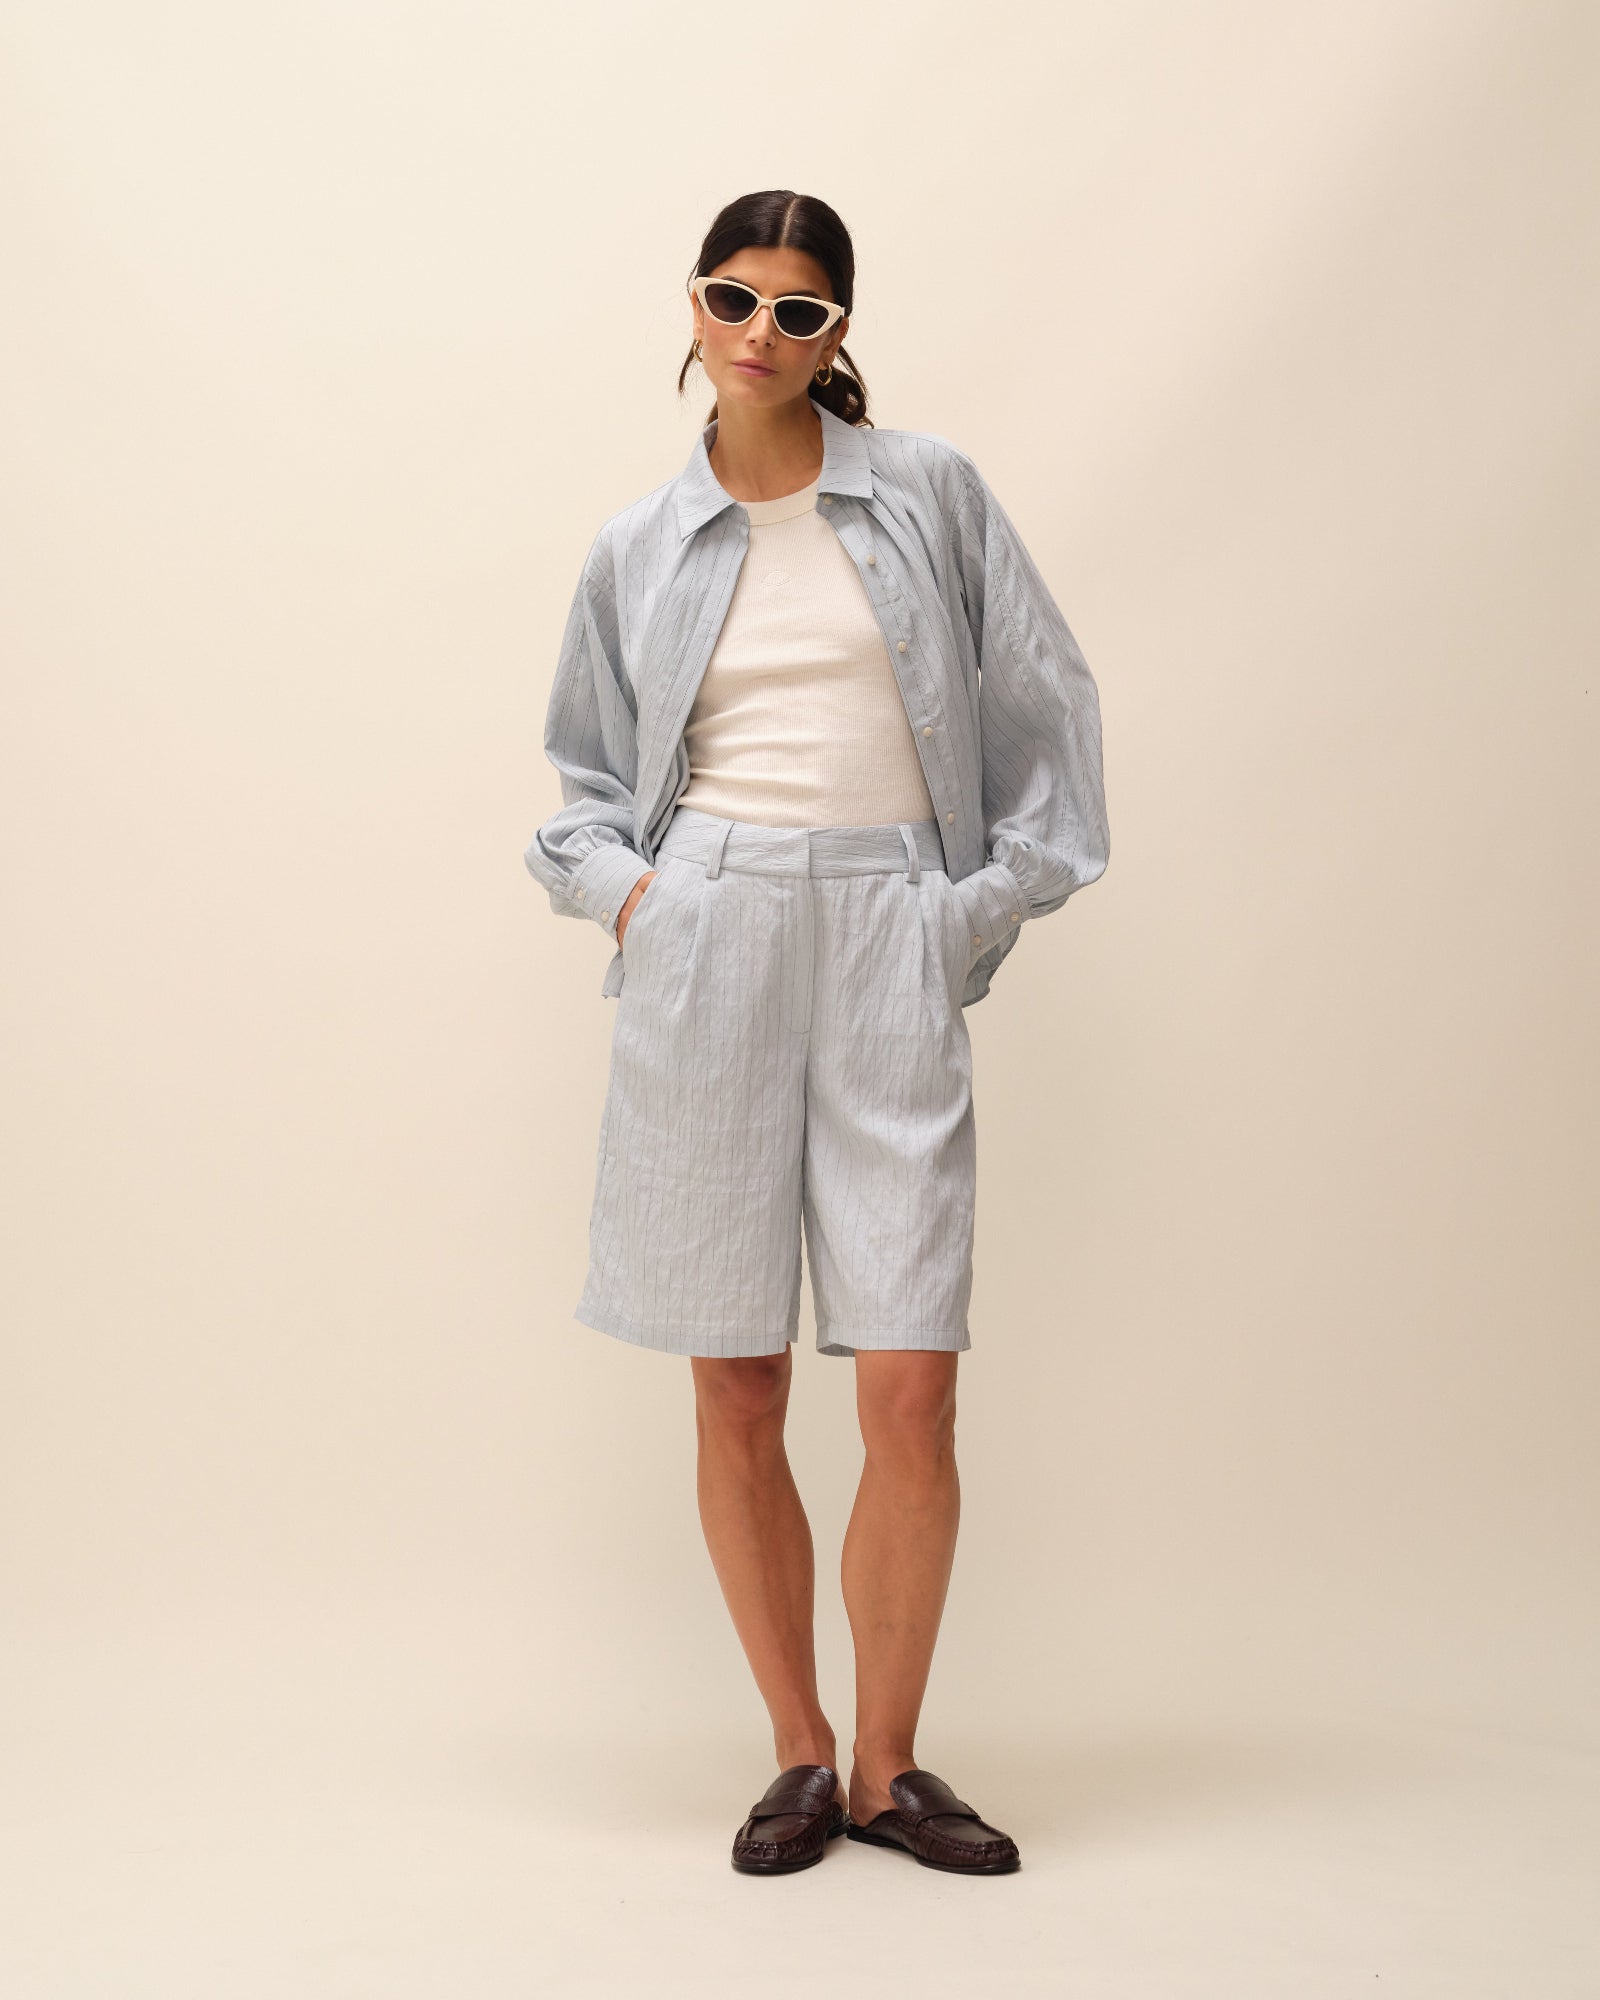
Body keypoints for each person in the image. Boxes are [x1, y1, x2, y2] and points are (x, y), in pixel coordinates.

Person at [525, 189, 1109, 1876]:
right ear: (693, 306)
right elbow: (579, 790)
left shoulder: (929, 494)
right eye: (733, 298)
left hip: (886, 928)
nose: (760, 334)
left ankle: (888, 1765)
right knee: (740, 1378)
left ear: (838, 332)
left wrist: (966, 910)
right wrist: (641, 900)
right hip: (705, 931)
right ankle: (797, 1749)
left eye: (797, 311)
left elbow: (1050, 707)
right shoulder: (640, 545)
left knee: (911, 1385)